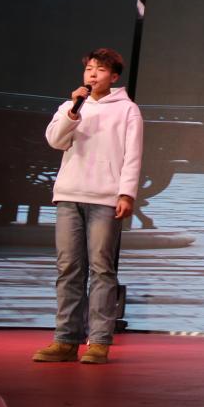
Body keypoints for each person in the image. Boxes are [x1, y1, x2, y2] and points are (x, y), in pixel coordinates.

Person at [32, 48, 143, 365]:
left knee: (101, 270)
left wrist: (126, 194)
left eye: (100, 69)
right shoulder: (70, 106)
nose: (92, 74)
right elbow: (55, 141)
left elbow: (132, 155)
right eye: (89, 69)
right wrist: (73, 112)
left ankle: (99, 341)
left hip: (105, 198)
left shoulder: (127, 110)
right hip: (69, 195)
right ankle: (65, 340)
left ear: (114, 76)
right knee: (68, 269)